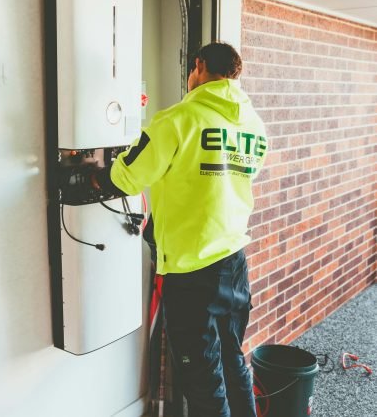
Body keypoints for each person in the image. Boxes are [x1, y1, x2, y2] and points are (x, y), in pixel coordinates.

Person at [86, 42, 267, 417]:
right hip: (234, 263)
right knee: (233, 364)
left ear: (199, 66)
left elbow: (127, 176)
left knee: (203, 381)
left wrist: (106, 168)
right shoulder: (253, 125)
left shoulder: (177, 120)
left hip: (192, 268)